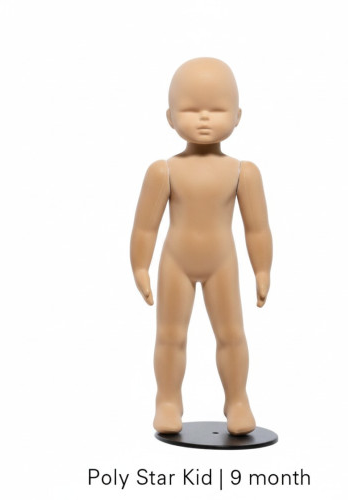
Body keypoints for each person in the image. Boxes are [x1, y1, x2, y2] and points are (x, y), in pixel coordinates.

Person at [130, 57, 272, 435]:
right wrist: (140, 266)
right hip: (175, 263)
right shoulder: (163, 170)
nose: (204, 118)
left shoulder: (243, 172)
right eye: (191, 109)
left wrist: (262, 269)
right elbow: (145, 227)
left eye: (217, 109)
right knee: (170, 337)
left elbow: (257, 229)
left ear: (238, 116)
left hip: (222, 264)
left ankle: (237, 399)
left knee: (232, 336)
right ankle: (167, 400)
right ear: (169, 117)